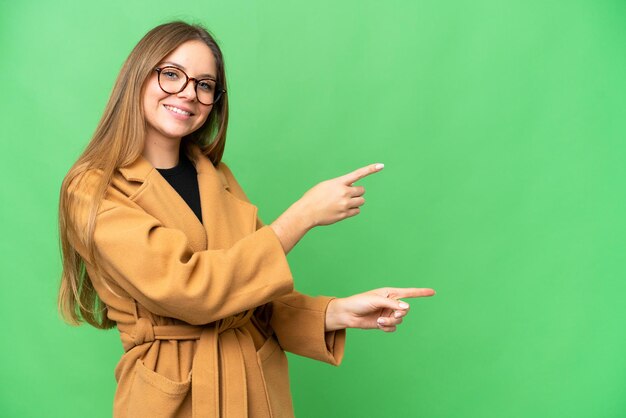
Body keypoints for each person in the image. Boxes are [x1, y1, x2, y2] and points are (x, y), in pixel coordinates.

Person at [57, 21, 435, 418]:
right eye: (171, 74)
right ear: (137, 77)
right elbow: (192, 290)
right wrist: (302, 216)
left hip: (257, 390)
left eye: (205, 85)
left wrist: (337, 312)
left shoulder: (217, 177)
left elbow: (252, 296)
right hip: (172, 398)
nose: (188, 93)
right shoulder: (92, 189)